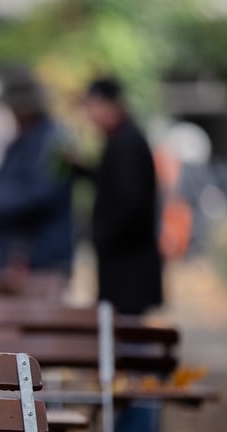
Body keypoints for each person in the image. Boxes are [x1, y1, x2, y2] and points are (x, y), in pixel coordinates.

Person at [0, 66, 74, 276]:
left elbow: (44, 192)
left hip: (42, 255)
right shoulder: (22, 141)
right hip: (12, 252)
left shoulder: (56, 143)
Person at [81, 77, 163, 316]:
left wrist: (103, 233)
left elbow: (130, 201)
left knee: (126, 329)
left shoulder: (126, 142)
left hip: (128, 266)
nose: (90, 116)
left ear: (108, 105)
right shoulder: (122, 139)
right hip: (124, 262)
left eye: (92, 106)